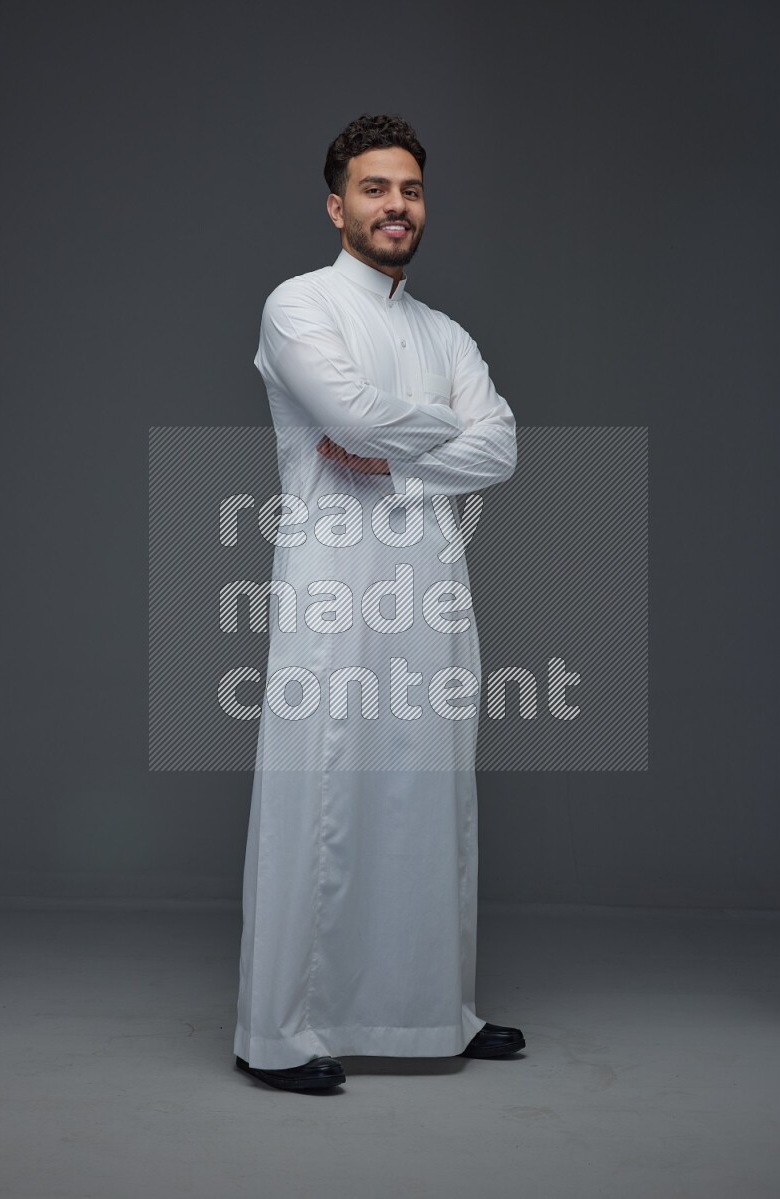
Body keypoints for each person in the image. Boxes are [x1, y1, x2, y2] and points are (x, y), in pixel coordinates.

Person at [234, 113, 523, 1092]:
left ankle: (432, 1009)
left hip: (432, 591)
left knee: (430, 796)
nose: (394, 205)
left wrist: (395, 448)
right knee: (320, 794)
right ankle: (277, 1030)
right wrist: (439, 434)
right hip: (334, 589)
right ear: (336, 203)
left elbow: (504, 447)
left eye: (407, 189)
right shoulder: (298, 305)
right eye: (373, 188)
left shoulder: (443, 330)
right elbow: (351, 413)